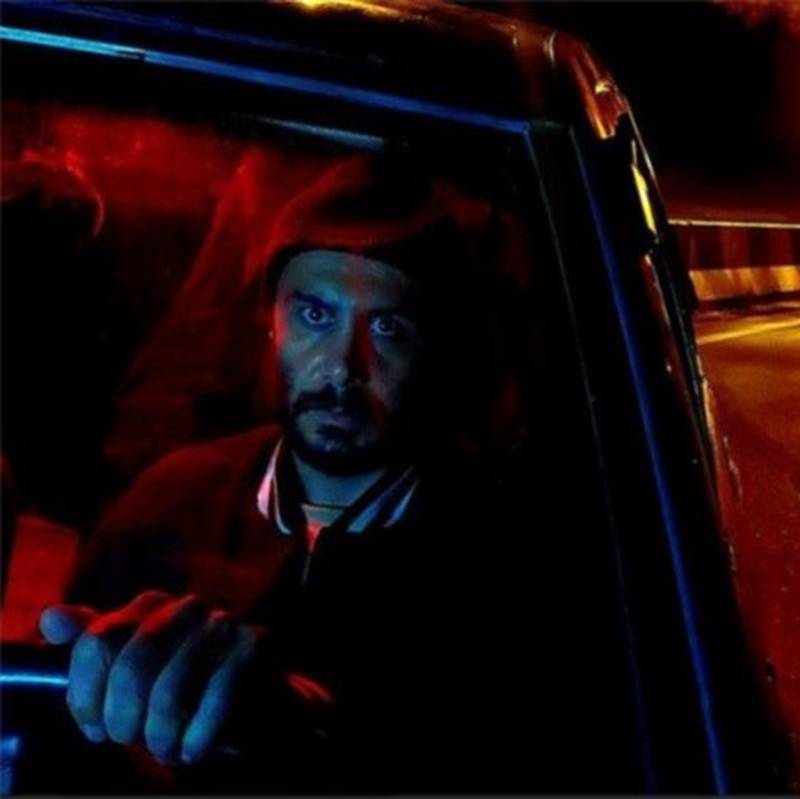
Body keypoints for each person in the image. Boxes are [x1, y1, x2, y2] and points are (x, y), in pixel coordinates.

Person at [35, 154, 526, 792]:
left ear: (435, 347)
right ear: (271, 323)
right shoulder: (169, 502)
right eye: (315, 316)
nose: (342, 366)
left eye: (387, 327)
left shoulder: (498, 553)